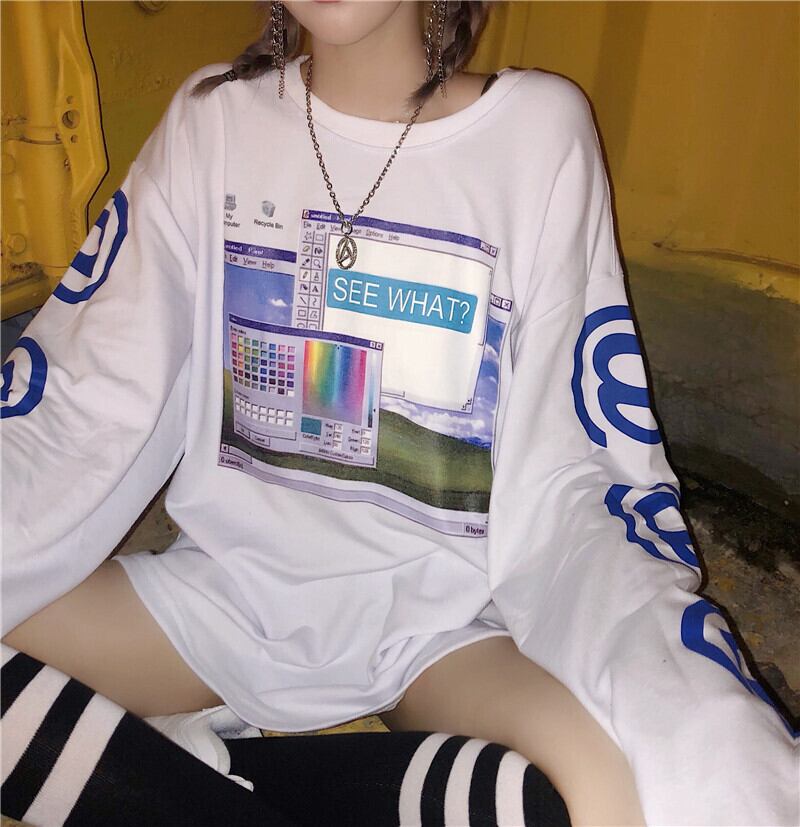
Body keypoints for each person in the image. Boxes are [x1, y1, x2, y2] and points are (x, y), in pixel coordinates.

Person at [2, 2, 796, 825]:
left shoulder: (536, 133)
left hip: (431, 630)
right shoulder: (215, 121)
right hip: (223, 599)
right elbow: (87, 397)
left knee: (595, 779)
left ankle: (166, 773)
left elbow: (573, 463)